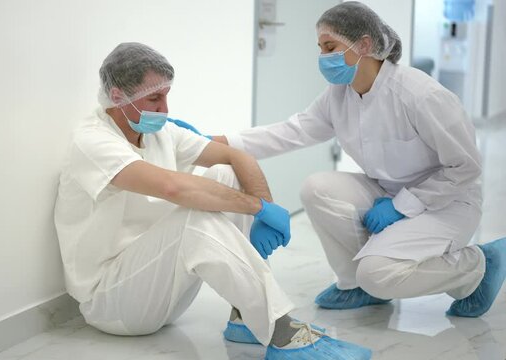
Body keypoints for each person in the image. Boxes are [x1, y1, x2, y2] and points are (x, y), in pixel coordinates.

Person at [173, 1, 506, 317]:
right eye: (320, 48)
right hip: (388, 191)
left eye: (329, 47)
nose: (321, 57)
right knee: (317, 187)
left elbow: (465, 167)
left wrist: (405, 204)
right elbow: (292, 131)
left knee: (379, 273)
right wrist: (210, 142)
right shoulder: (339, 95)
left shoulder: (420, 95)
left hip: (446, 203)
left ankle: (477, 266)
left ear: (362, 45)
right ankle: (356, 286)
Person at [54, 42, 372, 359]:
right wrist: (258, 207)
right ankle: (281, 330)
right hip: (113, 303)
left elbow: (237, 156)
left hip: (159, 287)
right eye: (154, 98)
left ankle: (245, 317)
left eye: (166, 95)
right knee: (193, 219)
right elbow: (172, 188)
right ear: (118, 96)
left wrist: (265, 205)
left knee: (226, 174)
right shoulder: (92, 141)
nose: (165, 109)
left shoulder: (158, 133)